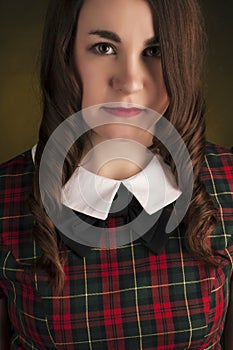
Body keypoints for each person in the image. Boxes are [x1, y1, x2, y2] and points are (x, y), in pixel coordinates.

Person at [0, 0, 233, 349]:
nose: (129, 81)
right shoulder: (5, 196)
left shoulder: (228, 180)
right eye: (104, 47)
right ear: (65, 57)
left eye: (155, 50)